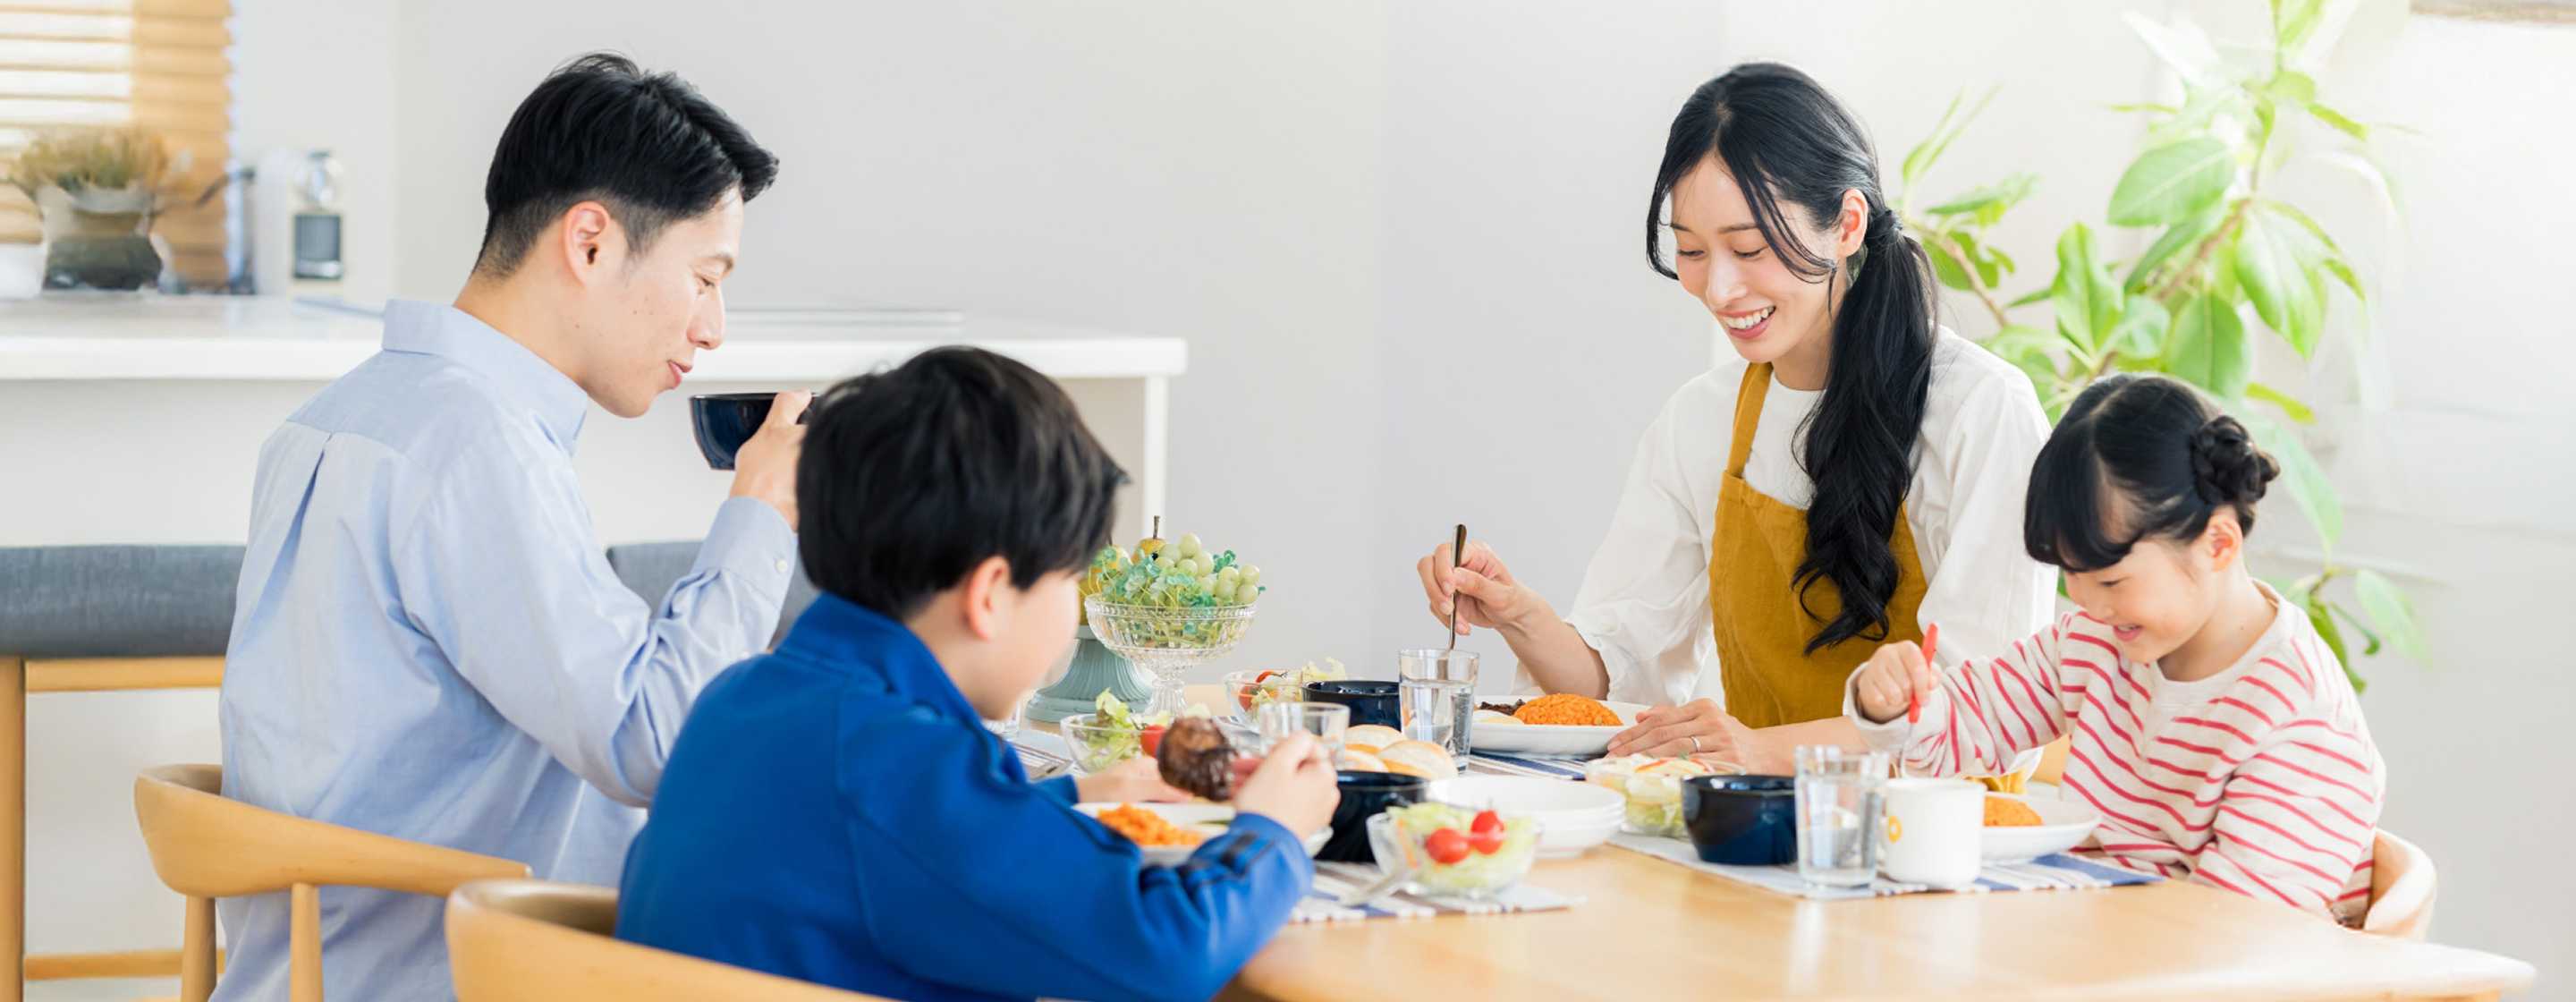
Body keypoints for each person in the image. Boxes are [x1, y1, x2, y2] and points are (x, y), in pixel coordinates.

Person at [217, 54, 798, 999]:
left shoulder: (336, 415)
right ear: (591, 243)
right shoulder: (477, 447)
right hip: (438, 972)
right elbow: (652, 741)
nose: (713, 328)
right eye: (704, 276)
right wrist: (762, 514)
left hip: (311, 963)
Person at [617, 347, 1340, 1002]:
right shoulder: (896, 761)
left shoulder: (744, 699)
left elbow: (900, 851)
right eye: (1071, 581)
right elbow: (1169, 950)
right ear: (990, 594)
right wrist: (1271, 832)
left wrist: (1076, 794)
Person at [1417, 63, 2053, 773]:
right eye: (1691, 251)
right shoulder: (1702, 419)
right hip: (1750, 833)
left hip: (1938, 854)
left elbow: (1980, 716)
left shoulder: (1979, 410)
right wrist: (1517, 614)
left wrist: (1757, 751)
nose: (1717, 288)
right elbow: (1615, 681)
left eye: (1749, 248)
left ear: (1847, 225)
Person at [1851, 373, 2384, 923]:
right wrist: (1895, 698)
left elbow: (2234, 935)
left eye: (2109, 582)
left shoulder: (2299, 718)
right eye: (2070, 576)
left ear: (2218, 543)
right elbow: (1963, 724)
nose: (2085, 603)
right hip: (2107, 943)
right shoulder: (2097, 642)